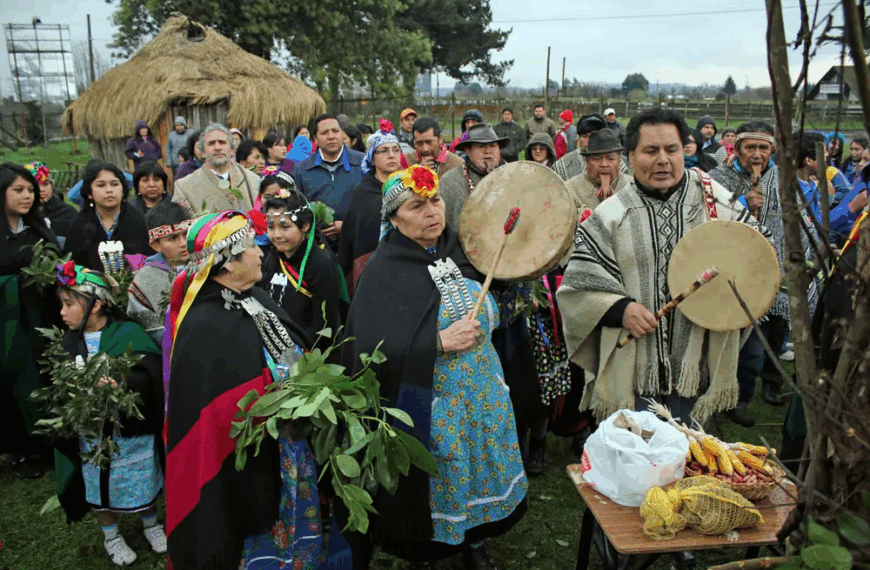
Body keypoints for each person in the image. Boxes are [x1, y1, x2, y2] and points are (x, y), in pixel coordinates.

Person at [341, 166, 528, 569]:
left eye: (436, 200)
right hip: (431, 403)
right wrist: (438, 343)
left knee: (478, 466)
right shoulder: (383, 272)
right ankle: (428, 550)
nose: (432, 212)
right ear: (393, 218)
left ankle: (474, 540)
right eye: (417, 205)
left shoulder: (461, 249)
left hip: (480, 394)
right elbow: (368, 350)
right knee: (441, 476)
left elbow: (493, 298)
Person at [558, 107, 763, 424]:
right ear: (630, 155)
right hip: (633, 372)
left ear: (685, 151)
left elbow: (757, 256)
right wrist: (621, 309)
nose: (662, 160)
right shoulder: (609, 216)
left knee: (689, 461)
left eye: (672, 149)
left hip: (695, 370)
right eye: (650, 151)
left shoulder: (715, 201)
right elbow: (578, 287)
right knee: (635, 463)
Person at [164, 211, 343, 570]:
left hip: (292, 450)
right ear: (227, 266)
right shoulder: (203, 325)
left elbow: (292, 347)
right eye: (250, 249)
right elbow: (218, 414)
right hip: (249, 460)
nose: (261, 253)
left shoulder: (257, 297)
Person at [51, 262, 164, 566]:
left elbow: (149, 372)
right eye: (61, 304)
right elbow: (59, 389)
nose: (62, 312)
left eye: (69, 303)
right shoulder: (68, 342)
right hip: (92, 434)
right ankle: (111, 533)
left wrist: (122, 381)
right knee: (99, 478)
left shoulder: (127, 332)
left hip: (130, 432)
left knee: (139, 475)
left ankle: (151, 523)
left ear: (96, 304)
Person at [708, 122, 793, 425]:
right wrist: (742, 204)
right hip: (727, 271)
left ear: (772, 150)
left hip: (765, 270)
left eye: (763, 148)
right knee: (722, 342)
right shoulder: (718, 177)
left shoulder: (782, 181)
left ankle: (741, 399)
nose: (757, 154)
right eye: (750, 148)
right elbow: (708, 214)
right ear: (737, 148)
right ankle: (714, 393)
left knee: (755, 347)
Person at [1, 163, 59, 479]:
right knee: (14, 381)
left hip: (40, 317)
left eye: (30, 190)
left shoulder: (36, 229)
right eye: (18, 190)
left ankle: (50, 441)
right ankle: (23, 448)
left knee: (44, 376)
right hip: (8, 325)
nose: (27, 195)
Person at [259, 189, 342, 339]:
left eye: (285, 227)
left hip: (309, 353)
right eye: (271, 227)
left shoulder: (321, 264)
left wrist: (296, 353)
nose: (277, 235)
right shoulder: (272, 257)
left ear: (305, 226)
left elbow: (323, 324)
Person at [337, 128, 404, 294]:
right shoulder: (364, 193)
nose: (391, 155)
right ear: (372, 158)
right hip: (372, 268)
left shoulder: (409, 186)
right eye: (384, 151)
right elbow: (355, 238)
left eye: (396, 150)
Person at [293, 113, 365, 250]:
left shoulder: (362, 163)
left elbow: (372, 206)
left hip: (357, 245)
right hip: (317, 248)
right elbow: (297, 208)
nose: (331, 136)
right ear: (315, 139)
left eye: (336, 131)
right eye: (325, 133)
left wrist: (348, 226)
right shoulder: (302, 170)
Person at [66, 161, 151, 272]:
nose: (109, 190)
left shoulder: (139, 221)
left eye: (115, 184)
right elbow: (72, 265)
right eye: (101, 185)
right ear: (89, 193)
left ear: (123, 189)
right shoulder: (79, 225)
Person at [127, 202, 192, 344]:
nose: (183, 243)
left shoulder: (207, 265)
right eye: (173, 238)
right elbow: (153, 331)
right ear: (156, 245)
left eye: (186, 234)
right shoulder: (145, 280)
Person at [173, 123, 260, 215]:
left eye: (222, 142)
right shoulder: (184, 187)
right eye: (211, 143)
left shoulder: (253, 180)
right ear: (202, 152)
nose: (217, 148)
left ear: (233, 150)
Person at [439, 123, 509, 230]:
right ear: (468, 151)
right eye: (481, 146)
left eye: (493, 146)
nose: (488, 151)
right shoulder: (450, 182)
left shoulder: (513, 176)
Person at [565, 129, 631, 215]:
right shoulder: (569, 191)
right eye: (597, 158)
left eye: (610, 158)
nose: (604, 164)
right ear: (587, 162)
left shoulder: (633, 188)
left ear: (619, 161)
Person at [26, 161, 76, 247]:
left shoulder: (67, 214)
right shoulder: (18, 215)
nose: (41, 189)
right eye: (36, 185)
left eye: (45, 184)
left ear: (51, 185)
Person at [554, 114, 607, 181]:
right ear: (579, 138)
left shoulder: (616, 162)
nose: (590, 141)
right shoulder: (563, 165)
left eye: (594, 136)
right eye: (585, 136)